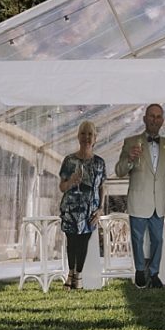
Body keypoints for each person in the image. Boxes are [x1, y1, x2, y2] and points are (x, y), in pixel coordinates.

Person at [115, 104, 165, 289]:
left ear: (162, 120)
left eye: (158, 117)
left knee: (158, 239)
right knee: (137, 238)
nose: (154, 120)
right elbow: (119, 171)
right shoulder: (131, 142)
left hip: (159, 201)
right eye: (151, 116)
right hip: (138, 200)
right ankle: (140, 270)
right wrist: (130, 159)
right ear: (144, 118)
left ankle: (154, 273)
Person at [59, 120, 107, 290]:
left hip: (90, 211)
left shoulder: (99, 163)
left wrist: (100, 209)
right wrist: (71, 181)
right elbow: (62, 187)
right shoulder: (69, 160)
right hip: (71, 208)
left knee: (83, 242)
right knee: (71, 242)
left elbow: (102, 187)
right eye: (83, 134)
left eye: (90, 134)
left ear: (95, 138)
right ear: (78, 136)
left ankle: (78, 275)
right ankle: (70, 273)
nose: (86, 137)